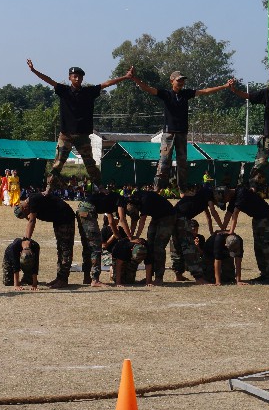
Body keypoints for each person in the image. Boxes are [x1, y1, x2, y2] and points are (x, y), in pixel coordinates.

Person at [27, 60, 132, 191]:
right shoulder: (64, 90)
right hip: (65, 135)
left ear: (82, 78)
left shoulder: (89, 91)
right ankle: (48, 188)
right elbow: (48, 80)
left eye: (79, 76)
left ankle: (100, 186)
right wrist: (34, 70)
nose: (77, 78)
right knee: (58, 163)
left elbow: (106, 84)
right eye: (74, 76)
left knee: (90, 164)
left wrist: (125, 77)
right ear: (69, 78)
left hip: (82, 136)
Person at [129, 69, 233, 194]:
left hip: (182, 133)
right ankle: (157, 189)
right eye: (179, 80)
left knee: (182, 163)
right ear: (172, 81)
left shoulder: (186, 94)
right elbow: (148, 89)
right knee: (164, 162)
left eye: (183, 80)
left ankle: (183, 190)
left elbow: (205, 91)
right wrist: (134, 79)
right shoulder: (166, 94)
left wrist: (225, 86)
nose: (181, 82)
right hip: (169, 134)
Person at [13, 192, 77, 289]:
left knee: (65, 249)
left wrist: (26, 239)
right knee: (60, 249)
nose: (27, 216)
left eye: (26, 215)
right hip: (59, 220)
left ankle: (63, 280)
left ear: (25, 208)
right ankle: (59, 278)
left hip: (65, 218)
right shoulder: (31, 201)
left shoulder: (33, 201)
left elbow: (32, 221)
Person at [220, 185, 269, 284]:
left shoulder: (241, 192)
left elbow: (235, 213)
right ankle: (265, 274)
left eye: (225, 199)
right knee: (258, 247)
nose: (226, 201)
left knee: (268, 247)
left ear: (228, 194)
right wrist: (222, 229)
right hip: (257, 219)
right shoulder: (233, 197)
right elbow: (229, 213)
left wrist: (231, 231)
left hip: (266, 218)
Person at [124, 188, 184, 286]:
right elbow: (135, 220)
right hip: (157, 217)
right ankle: (149, 277)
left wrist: (136, 237)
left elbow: (142, 222)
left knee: (158, 247)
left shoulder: (145, 200)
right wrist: (131, 236)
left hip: (168, 216)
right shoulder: (134, 198)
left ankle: (159, 278)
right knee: (150, 245)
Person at [228, 82, 269, 189]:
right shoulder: (268, 92)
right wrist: (235, 90)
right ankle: (252, 186)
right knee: (261, 161)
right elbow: (250, 96)